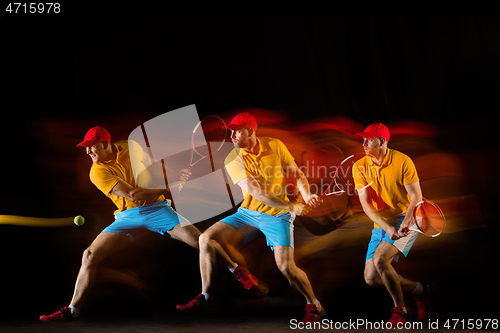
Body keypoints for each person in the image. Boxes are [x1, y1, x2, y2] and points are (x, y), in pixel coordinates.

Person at [176, 112, 326, 323]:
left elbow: (298, 174)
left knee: (286, 267)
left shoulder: (275, 145)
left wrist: (308, 194)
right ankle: (211, 293)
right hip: (248, 213)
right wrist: (293, 205)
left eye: (237, 131)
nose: (232, 136)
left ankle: (314, 305)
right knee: (205, 239)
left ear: (251, 131)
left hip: (277, 216)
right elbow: (257, 192)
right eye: (231, 132)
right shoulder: (233, 158)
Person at [39, 125, 199, 322]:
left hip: (157, 209)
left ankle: (235, 273)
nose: (88, 151)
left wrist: (173, 177)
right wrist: (169, 187)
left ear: (106, 144)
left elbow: (153, 166)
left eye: (92, 146)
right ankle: (72, 310)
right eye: (86, 147)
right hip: (128, 217)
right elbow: (132, 194)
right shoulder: (96, 172)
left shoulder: (131, 148)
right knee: (89, 255)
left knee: (202, 241)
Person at [353, 123, 433, 325]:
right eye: (363, 139)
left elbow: (416, 197)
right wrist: (387, 227)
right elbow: (366, 205)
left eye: (369, 139)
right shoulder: (359, 166)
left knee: (381, 260)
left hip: (408, 217)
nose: (364, 143)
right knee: (371, 278)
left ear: (382, 141)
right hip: (383, 223)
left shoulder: (403, 160)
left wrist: (405, 223)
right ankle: (420, 290)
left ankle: (401, 311)